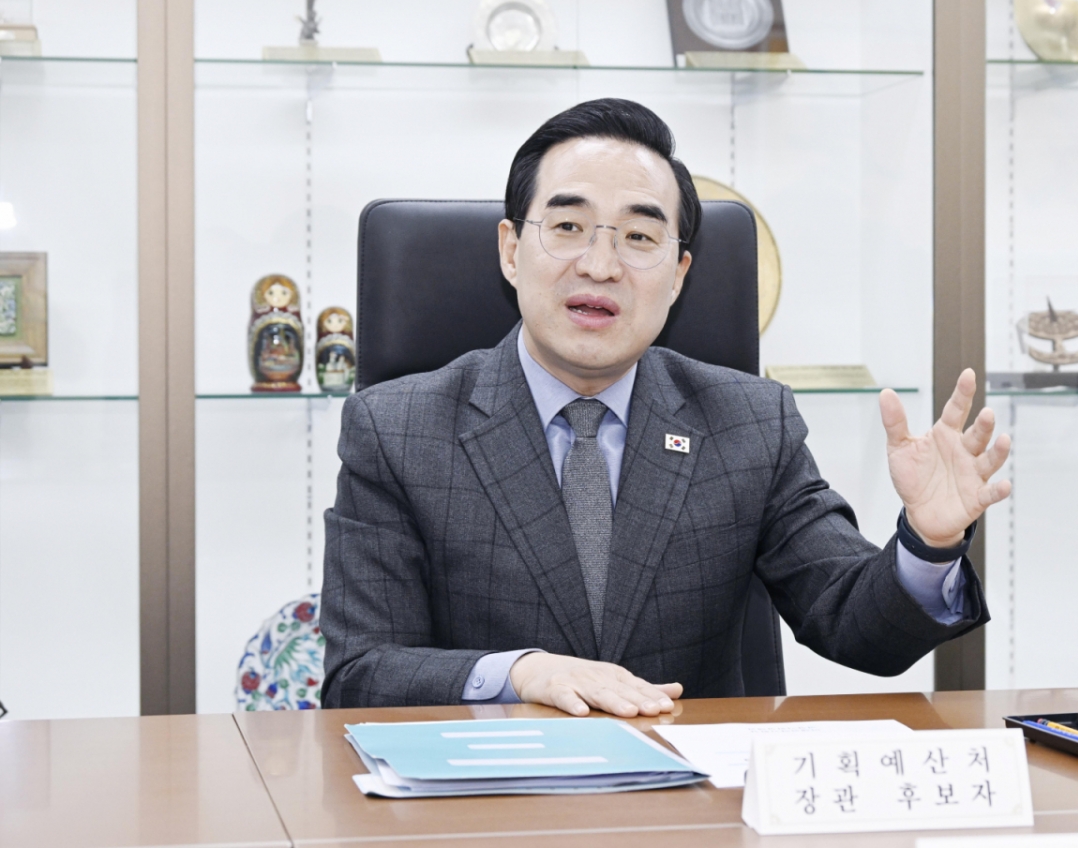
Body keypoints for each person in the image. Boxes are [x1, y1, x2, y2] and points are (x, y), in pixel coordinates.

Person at [321, 98, 1011, 717]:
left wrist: (929, 543)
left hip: (692, 794)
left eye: (639, 237)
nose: (600, 265)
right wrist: (521, 673)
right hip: (484, 795)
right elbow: (361, 675)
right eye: (568, 226)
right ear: (510, 250)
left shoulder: (749, 424)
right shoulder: (397, 429)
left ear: (679, 275)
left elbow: (857, 628)